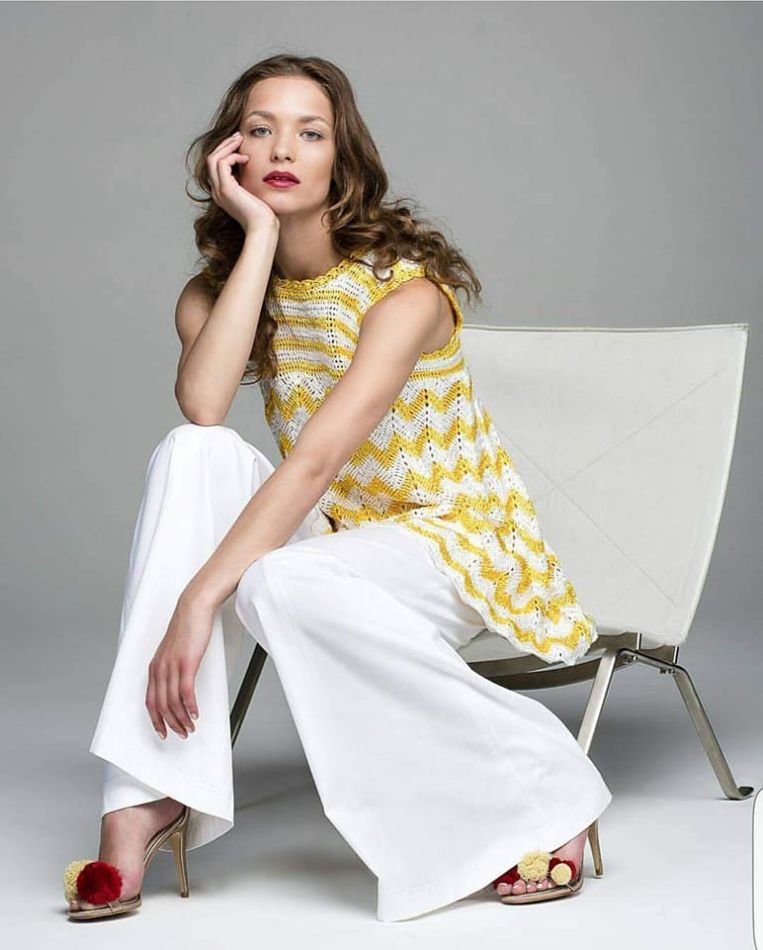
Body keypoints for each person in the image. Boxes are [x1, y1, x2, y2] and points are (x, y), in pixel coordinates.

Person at [63, 53, 612, 924]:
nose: (283, 149)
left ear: (341, 159)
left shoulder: (407, 293)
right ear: (229, 154)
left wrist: (199, 598)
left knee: (277, 580)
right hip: (333, 534)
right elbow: (204, 405)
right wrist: (258, 236)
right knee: (191, 453)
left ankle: (546, 790)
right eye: (260, 129)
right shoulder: (216, 294)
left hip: (448, 539)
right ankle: (144, 793)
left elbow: (314, 460)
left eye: (310, 133)